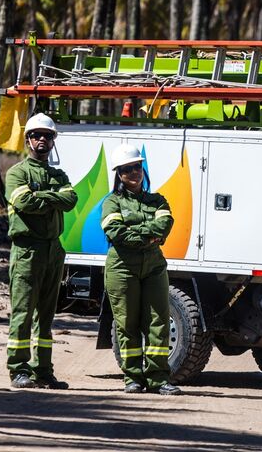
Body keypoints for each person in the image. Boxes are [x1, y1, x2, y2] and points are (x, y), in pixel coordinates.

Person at [4, 112, 78, 389]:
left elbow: (70, 199)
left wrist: (42, 196)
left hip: (53, 250)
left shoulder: (58, 174)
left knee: (46, 316)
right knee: (23, 313)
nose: (42, 140)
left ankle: (43, 370)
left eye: (47, 136)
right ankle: (18, 369)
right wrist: (52, 197)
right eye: (37, 135)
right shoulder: (17, 172)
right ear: (28, 140)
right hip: (27, 250)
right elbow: (24, 202)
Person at [100, 144, 181, 395]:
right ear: (119, 174)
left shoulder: (157, 200)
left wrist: (138, 235)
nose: (134, 173)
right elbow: (115, 233)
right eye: (127, 169)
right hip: (122, 268)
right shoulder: (111, 202)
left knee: (159, 322)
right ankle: (133, 377)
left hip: (154, 267)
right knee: (127, 323)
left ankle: (158, 378)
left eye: (137, 167)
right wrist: (148, 238)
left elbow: (165, 225)